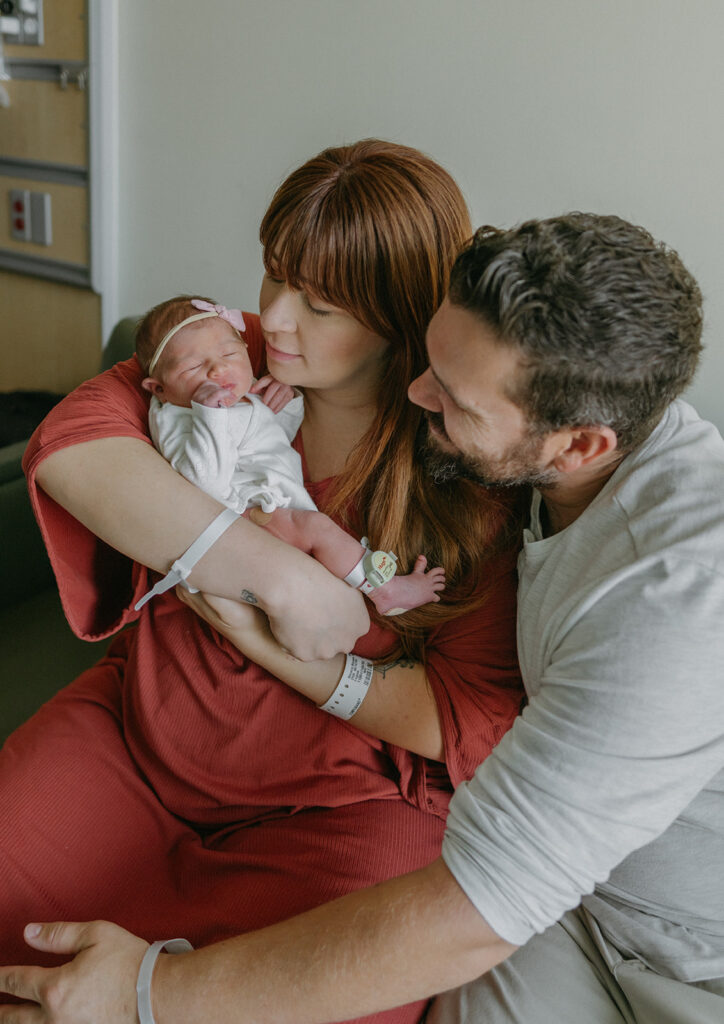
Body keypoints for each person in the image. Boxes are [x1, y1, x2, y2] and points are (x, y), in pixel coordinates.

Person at [2, 210, 721, 1024]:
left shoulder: (675, 601)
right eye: (429, 357)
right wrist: (271, 572)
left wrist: (144, 996)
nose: (420, 391)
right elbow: (81, 431)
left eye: (449, 395)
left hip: (680, 952)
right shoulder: (285, 367)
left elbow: (479, 897)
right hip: (566, 903)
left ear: (580, 446)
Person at [0, 141, 526, 1024]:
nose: (275, 319)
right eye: (274, 275)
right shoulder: (221, 357)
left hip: (332, 813)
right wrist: (279, 576)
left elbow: (464, 717)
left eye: (320, 305)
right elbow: (70, 442)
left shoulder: (467, 471)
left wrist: (275, 646)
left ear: (404, 316)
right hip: (143, 739)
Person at [135, 294, 445, 616]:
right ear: (158, 389)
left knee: (318, 551)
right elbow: (205, 484)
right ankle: (385, 589)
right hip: (245, 522)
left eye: (229, 353)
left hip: (267, 513)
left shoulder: (241, 399)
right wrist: (211, 415)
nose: (218, 369)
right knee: (318, 529)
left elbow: (271, 444)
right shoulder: (178, 418)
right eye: (193, 367)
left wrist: (286, 402)